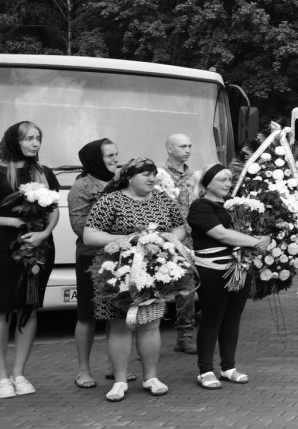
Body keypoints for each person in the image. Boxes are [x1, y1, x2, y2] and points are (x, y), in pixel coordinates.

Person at [83, 158, 185, 401]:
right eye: (145, 175)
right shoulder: (111, 200)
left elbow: (180, 228)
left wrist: (166, 238)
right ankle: (119, 380)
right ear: (129, 177)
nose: (151, 180)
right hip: (118, 271)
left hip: (155, 271)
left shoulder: (163, 200)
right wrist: (127, 238)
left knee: (151, 324)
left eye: (153, 175)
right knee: (121, 325)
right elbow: (89, 235)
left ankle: (151, 377)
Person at [0, 121, 60, 400]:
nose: (35, 143)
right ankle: (0, 377)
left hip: (40, 248)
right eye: (28, 138)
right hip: (4, 247)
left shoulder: (43, 173)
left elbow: (53, 210)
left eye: (38, 138)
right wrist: (10, 220)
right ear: (13, 141)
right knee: (2, 308)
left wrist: (43, 234)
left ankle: (19, 373)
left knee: (30, 308)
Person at [187, 164, 271, 389]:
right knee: (212, 319)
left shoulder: (235, 205)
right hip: (213, 270)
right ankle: (205, 370)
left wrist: (264, 237)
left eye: (229, 180)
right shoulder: (200, 206)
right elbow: (221, 234)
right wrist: (256, 242)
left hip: (240, 268)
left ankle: (228, 367)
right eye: (222, 180)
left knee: (232, 319)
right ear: (207, 183)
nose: (227, 184)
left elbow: (249, 230)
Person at [67, 138, 121, 389]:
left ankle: (115, 366)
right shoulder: (81, 186)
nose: (115, 160)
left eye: (116, 155)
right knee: (88, 316)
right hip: (91, 256)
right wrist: (115, 224)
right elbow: (79, 227)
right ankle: (83, 371)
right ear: (95, 159)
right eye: (109, 156)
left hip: (119, 255)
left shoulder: (121, 181)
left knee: (116, 313)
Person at [163, 133, 198, 355]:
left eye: (189, 145)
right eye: (182, 146)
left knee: (187, 290)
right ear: (169, 148)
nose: (187, 150)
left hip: (190, 240)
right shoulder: (158, 175)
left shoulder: (195, 176)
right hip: (164, 239)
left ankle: (185, 336)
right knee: (154, 289)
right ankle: (144, 338)